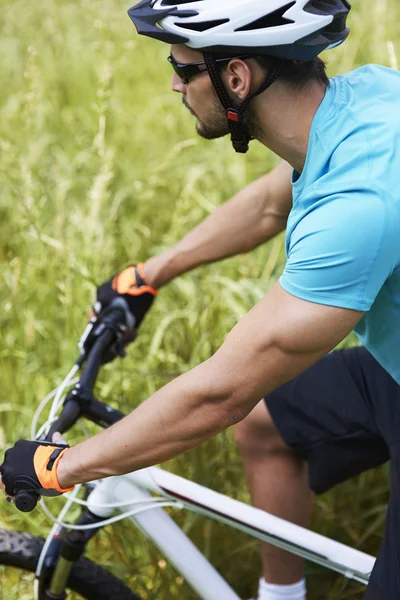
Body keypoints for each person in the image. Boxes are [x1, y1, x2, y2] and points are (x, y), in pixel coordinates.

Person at [1, 1, 400, 598]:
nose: (173, 83)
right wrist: (150, 274)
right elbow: (271, 203)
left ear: (235, 77)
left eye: (183, 68)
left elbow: (223, 392)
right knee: (270, 428)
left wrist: (62, 467)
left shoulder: (359, 207)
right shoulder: (364, 100)